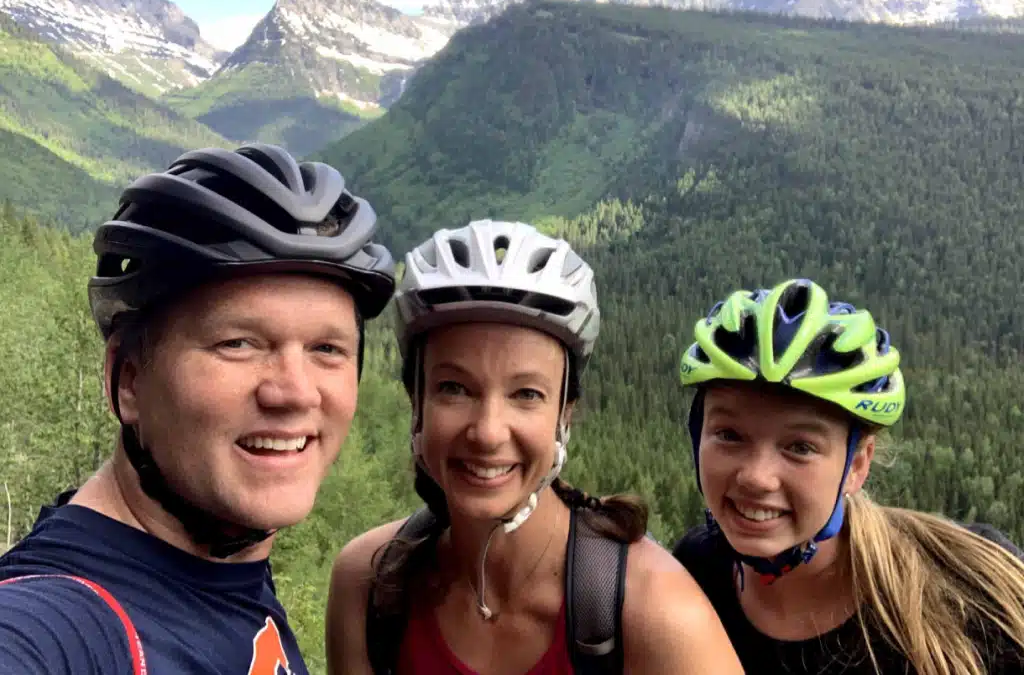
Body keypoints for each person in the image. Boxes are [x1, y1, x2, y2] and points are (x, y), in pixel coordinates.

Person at [0, 144, 396, 674]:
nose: (296, 393)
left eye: (326, 348)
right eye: (238, 343)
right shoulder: (59, 624)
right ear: (129, 379)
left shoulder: (224, 570)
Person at [325, 219, 743, 675]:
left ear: (565, 416)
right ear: (416, 401)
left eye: (526, 394)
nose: (488, 432)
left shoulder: (656, 613)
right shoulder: (369, 585)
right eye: (453, 388)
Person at [672, 277, 1024, 674]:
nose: (756, 477)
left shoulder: (977, 591)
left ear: (857, 465)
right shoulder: (693, 575)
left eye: (800, 447)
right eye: (728, 435)